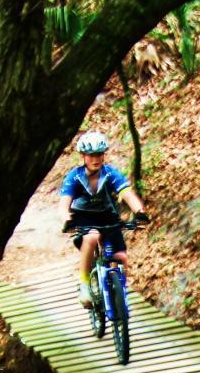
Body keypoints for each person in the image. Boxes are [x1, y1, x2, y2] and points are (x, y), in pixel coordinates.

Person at [60, 130, 149, 307]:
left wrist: (139, 212)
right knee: (92, 237)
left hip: (107, 215)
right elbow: (64, 204)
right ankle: (84, 285)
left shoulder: (110, 174)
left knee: (121, 257)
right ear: (83, 156)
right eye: (91, 155)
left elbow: (127, 193)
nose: (96, 159)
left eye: (99, 154)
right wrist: (67, 220)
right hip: (83, 216)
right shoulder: (75, 177)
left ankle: (117, 293)